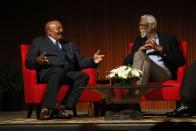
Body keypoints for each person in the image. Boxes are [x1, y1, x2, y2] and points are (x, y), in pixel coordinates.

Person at [26, 20, 104, 120]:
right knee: (58, 70)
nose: (62, 30)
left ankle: (61, 108)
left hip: (66, 73)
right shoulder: (39, 42)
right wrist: (37, 60)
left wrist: (93, 60)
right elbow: (28, 61)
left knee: (83, 76)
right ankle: (46, 108)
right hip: (49, 73)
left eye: (62, 28)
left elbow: (80, 62)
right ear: (49, 31)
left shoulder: (69, 44)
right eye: (58, 28)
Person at [122, 14, 185, 111]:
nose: (140, 28)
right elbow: (126, 62)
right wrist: (140, 49)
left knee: (139, 56)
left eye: (143, 25)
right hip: (145, 71)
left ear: (152, 26)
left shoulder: (168, 38)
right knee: (140, 56)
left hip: (162, 72)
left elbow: (181, 60)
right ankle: (134, 100)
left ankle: (131, 102)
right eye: (139, 25)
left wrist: (160, 49)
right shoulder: (139, 40)